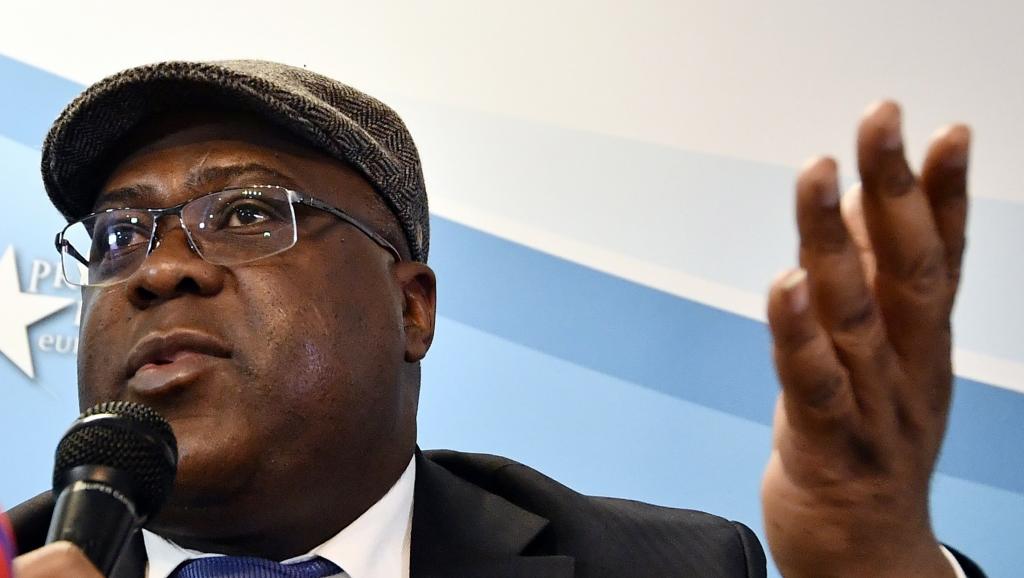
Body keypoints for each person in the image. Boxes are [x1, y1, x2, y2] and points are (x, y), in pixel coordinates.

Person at [7, 60, 984, 577]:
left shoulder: (660, 569)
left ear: (411, 306)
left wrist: (872, 559)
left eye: (248, 213)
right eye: (119, 235)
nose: (159, 269)